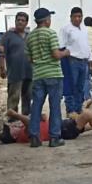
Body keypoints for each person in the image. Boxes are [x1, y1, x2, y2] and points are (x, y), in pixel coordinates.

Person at [25, 8, 70, 148]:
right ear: (46, 20)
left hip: (38, 75)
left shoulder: (30, 37)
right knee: (55, 106)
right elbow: (56, 55)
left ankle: (34, 137)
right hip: (53, 74)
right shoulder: (51, 33)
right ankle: (54, 137)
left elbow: (29, 58)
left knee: (36, 106)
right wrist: (65, 53)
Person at [0, 108, 92, 144]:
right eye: (11, 128)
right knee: (88, 115)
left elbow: (40, 119)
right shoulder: (23, 135)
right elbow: (29, 122)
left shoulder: (24, 131)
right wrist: (15, 115)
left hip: (62, 125)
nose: (14, 126)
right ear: (13, 135)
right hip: (64, 130)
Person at [59, 7, 92, 116]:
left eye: (80, 16)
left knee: (81, 86)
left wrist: (90, 58)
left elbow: (86, 45)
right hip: (72, 61)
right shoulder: (66, 29)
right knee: (71, 86)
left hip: (83, 61)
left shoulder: (83, 29)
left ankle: (78, 108)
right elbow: (61, 45)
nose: (78, 19)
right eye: (75, 16)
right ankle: (70, 110)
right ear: (71, 17)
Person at [0, 12, 33, 116]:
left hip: (29, 72)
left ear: (26, 23)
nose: (20, 22)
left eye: (23, 20)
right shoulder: (8, 36)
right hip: (14, 72)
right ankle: (12, 119)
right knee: (14, 97)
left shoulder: (29, 36)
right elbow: (1, 53)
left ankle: (26, 119)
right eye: (18, 20)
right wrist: (2, 68)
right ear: (15, 21)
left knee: (28, 97)